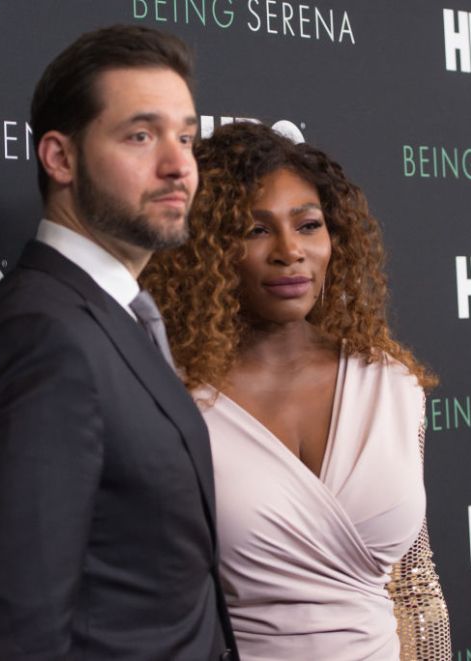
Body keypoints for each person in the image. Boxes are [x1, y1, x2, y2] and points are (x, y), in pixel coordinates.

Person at [0, 25, 236, 660]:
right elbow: (12, 637)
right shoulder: (40, 336)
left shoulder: (112, 314)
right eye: (140, 135)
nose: (178, 164)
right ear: (60, 158)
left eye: (186, 137)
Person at [142, 121, 451, 660]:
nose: (290, 251)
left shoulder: (392, 385)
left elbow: (416, 586)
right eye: (255, 230)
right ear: (207, 249)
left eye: (308, 225)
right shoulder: (173, 401)